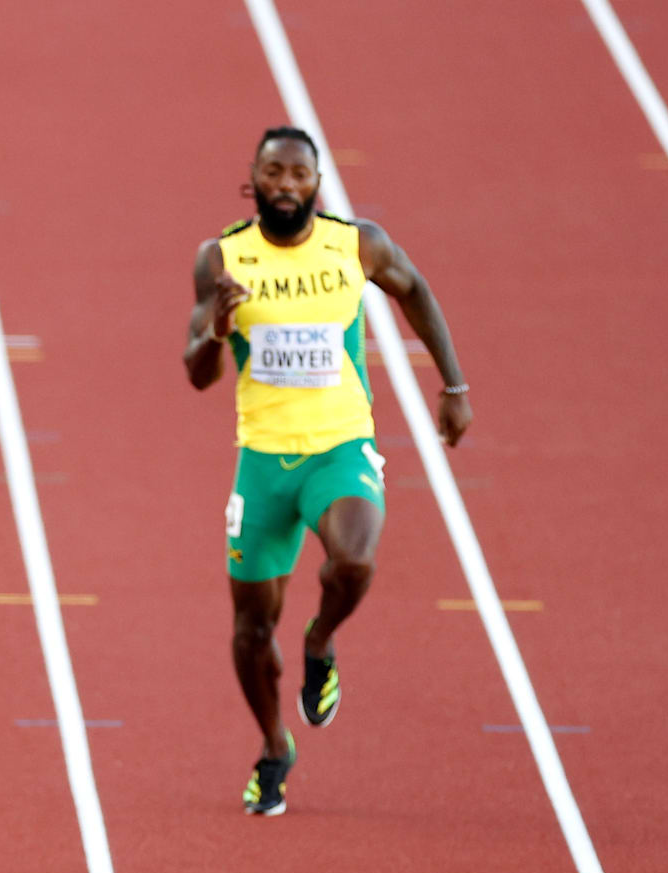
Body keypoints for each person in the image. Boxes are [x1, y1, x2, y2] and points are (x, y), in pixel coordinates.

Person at [183, 126, 471, 815]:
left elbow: (415, 291)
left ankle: (319, 642)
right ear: (252, 180)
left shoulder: (354, 244)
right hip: (261, 465)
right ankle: (274, 744)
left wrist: (453, 386)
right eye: (273, 173)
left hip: (339, 446)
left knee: (354, 561)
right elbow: (195, 372)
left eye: (298, 174)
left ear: (317, 183)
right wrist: (217, 331)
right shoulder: (220, 258)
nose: (285, 185)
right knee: (251, 630)